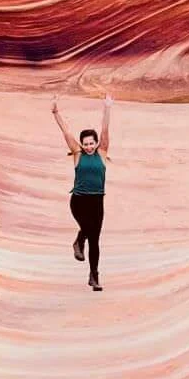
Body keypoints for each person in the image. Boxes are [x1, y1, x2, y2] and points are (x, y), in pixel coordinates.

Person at [52, 95, 112, 291]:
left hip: (97, 202)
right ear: (81, 144)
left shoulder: (102, 153)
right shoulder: (77, 154)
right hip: (79, 202)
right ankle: (79, 239)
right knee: (88, 229)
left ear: (96, 143)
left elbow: (104, 131)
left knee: (95, 240)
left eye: (91, 143)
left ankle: (94, 277)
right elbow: (66, 132)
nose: (88, 146)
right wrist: (56, 113)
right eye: (85, 143)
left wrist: (107, 108)